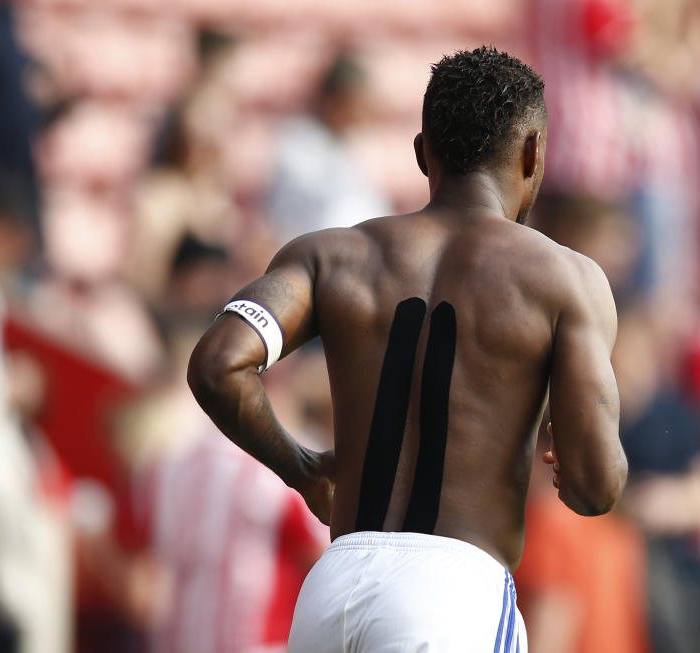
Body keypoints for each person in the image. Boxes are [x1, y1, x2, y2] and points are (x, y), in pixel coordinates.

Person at [188, 46, 627, 651]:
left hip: (331, 593)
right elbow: (597, 485)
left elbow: (218, 365)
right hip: (454, 596)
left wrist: (305, 471)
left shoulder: (328, 255)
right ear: (533, 153)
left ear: (422, 153)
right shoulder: (566, 279)